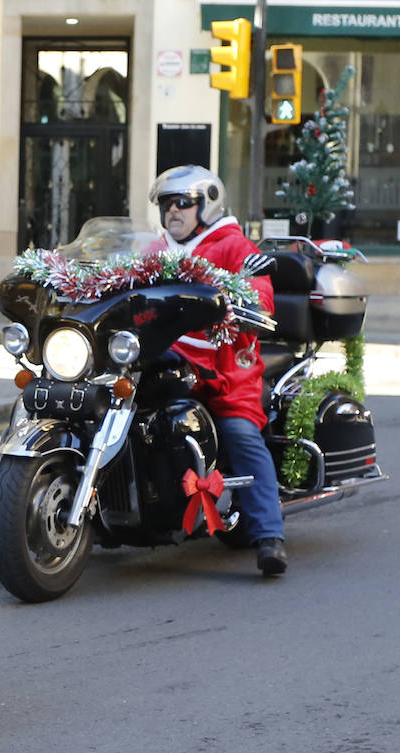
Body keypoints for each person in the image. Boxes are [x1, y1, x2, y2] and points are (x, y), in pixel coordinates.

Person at [144, 165, 287, 577]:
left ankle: (270, 536)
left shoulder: (230, 244)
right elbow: (124, 282)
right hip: (165, 365)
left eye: (183, 203)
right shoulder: (158, 250)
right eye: (167, 203)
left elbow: (257, 287)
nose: (174, 211)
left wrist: (252, 300)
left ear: (206, 205)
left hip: (224, 370)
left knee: (240, 433)